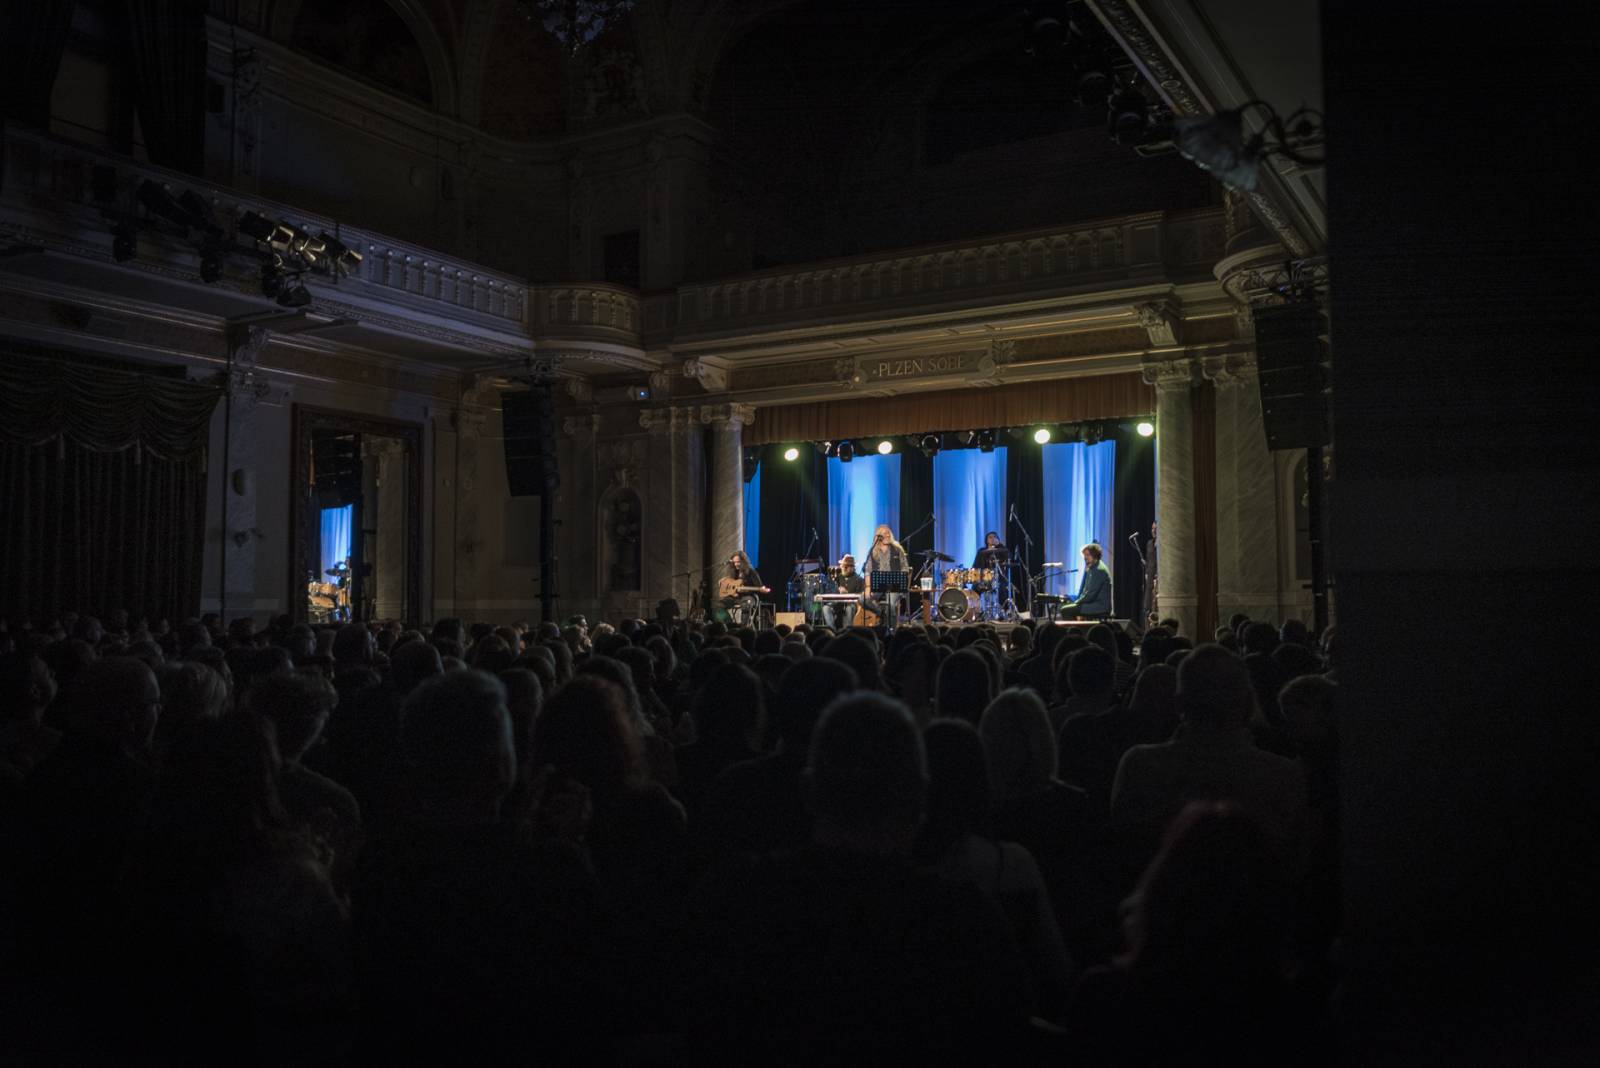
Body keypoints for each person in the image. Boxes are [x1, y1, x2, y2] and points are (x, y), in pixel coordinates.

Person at [861, 524, 909, 626]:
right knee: (863, 599)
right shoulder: (872, 551)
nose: (887, 535)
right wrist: (868, 587)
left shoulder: (897, 549)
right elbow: (867, 571)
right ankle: (881, 613)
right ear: (878, 537)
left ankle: (892, 631)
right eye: (884, 533)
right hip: (878, 586)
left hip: (895, 586)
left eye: (888, 533)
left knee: (890, 604)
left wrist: (899, 579)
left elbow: (905, 568)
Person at [1061, 542, 1112, 619]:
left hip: (1099, 606)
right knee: (1065, 603)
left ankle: (1075, 630)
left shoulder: (1099, 570)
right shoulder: (1093, 567)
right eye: (1084, 555)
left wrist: (1077, 602)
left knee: (1065, 610)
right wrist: (1075, 600)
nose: (1085, 557)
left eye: (1087, 555)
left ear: (1095, 555)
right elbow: (1085, 590)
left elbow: (1090, 594)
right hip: (1093, 603)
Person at [719, 551, 769, 628]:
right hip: (735, 597)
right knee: (719, 604)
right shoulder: (733, 571)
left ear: (743, 561)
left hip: (749, 597)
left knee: (746, 605)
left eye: (738, 562)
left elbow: (759, 586)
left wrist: (761, 589)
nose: (736, 564)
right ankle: (728, 626)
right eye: (734, 562)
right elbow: (728, 583)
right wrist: (723, 582)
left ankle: (743, 628)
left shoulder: (751, 571)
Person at [821, 554, 865, 630]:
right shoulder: (837, 578)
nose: (843, 568)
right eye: (843, 566)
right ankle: (832, 631)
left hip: (851, 605)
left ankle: (847, 632)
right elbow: (830, 592)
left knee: (849, 609)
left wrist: (847, 593)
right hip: (838, 604)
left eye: (846, 566)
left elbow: (860, 596)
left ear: (852, 568)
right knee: (825, 608)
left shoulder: (859, 579)